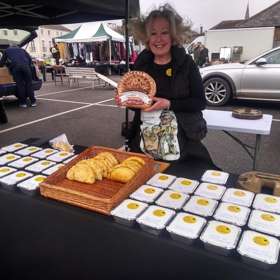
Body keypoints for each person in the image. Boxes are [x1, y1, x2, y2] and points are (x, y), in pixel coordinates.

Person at [116, 4, 214, 164]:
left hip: (183, 142)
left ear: (173, 36)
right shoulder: (142, 64)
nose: (158, 39)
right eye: (153, 33)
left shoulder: (186, 64)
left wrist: (168, 103)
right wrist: (127, 100)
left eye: (164, 32)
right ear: (147, 37)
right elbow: (137, 104)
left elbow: (199, 102)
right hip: (144, 141)